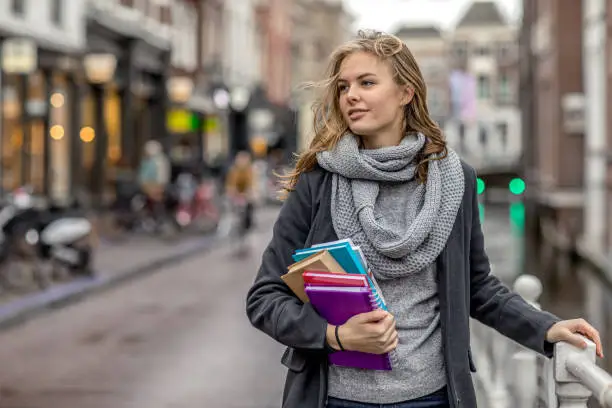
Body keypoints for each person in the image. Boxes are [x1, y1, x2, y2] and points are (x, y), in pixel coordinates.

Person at [245, 30, 603, 408]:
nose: (351, 95)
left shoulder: (454, 180)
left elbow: (477, 287)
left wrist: (545, 328)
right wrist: (335, 335)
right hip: (333, 398)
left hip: (432, 398)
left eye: (367, 82)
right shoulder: (319, 181)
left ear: (405, 93)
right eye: (343, 87)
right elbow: (265, 298)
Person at [225, 150, 256, 242]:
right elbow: (230, 184)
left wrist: (250, 193)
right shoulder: (234, 171)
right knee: (233, 209)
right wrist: (231, 192)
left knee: (249, 209)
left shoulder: (250, 170)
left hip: (246, 194)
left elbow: (252, 183)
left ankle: (248, 224)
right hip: (236, 194)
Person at [138, 140, 170, 222]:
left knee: (156, 202)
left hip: (155, 186)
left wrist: (157, 187)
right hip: (147, 186)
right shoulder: (147, 161)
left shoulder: (159, 161)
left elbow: (162, 176)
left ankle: (158, 218)